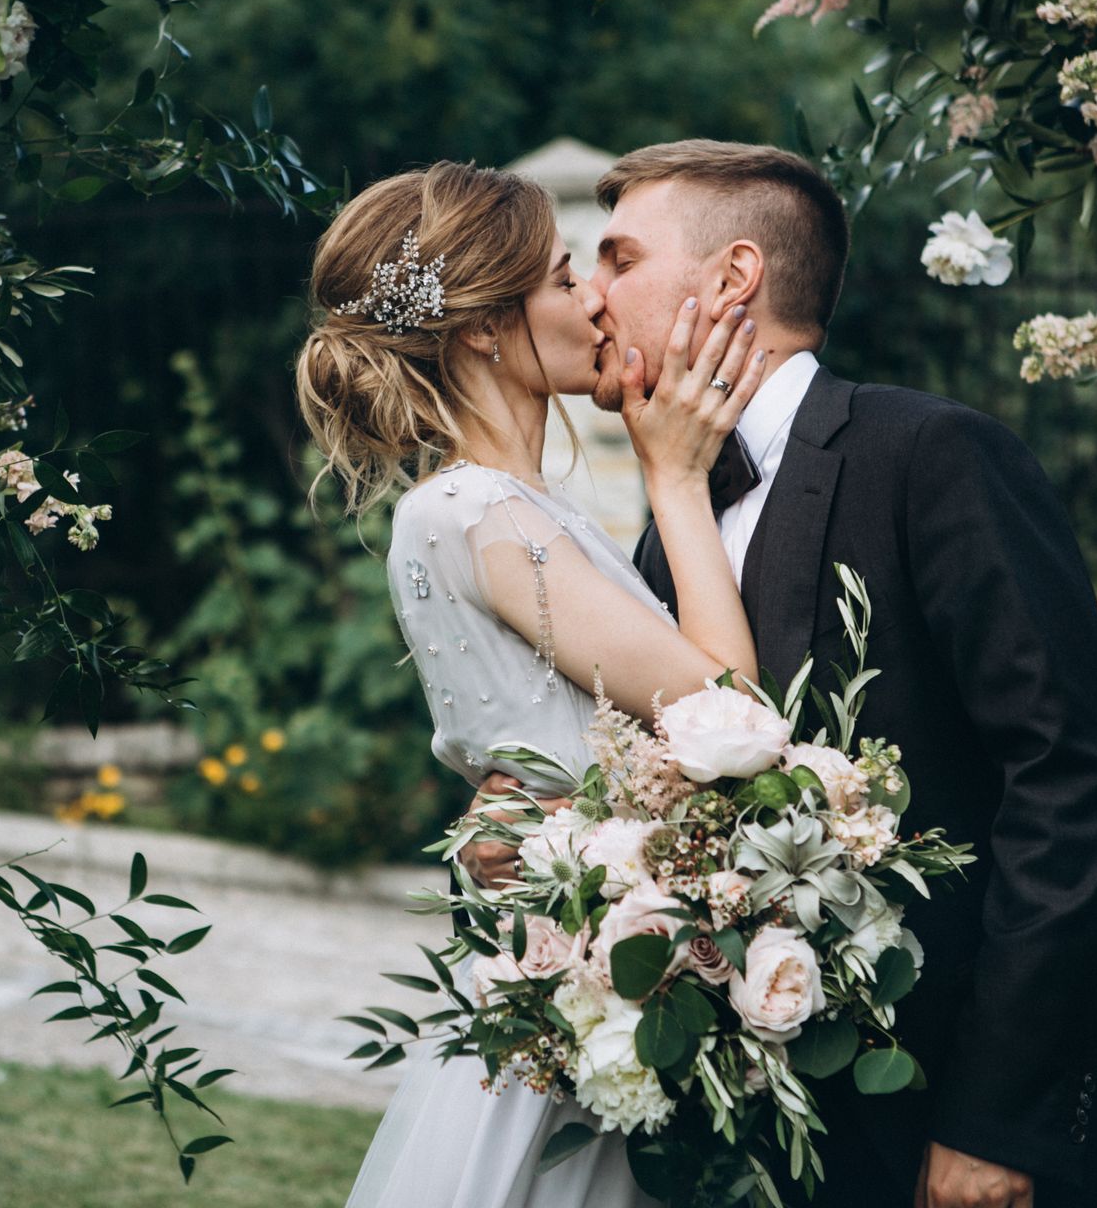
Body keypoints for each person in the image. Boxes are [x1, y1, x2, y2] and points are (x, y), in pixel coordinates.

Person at [459, 140, 1097, 1208]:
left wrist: (996, 1119)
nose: (591, 294)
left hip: (967, 1115)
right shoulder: (674, 522)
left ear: (733, 278)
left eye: (617, 259)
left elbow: (1071, 777)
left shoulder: (933, 453)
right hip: (783, 1131)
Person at [296, 159, 773, 1208]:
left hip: (582, 969)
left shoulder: (508, 506)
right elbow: (727, 708)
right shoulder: (474, 512)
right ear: (479, 327)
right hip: (572, 985)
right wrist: (678, 479)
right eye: (564, 278)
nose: (595, 296)